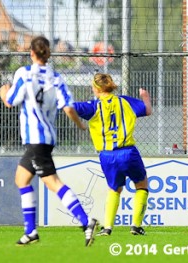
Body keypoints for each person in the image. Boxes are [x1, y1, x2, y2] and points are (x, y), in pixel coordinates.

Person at [0, 36, 98, 246]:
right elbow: (68, 107)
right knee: (21, 179)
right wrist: (80, 125)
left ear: (32, 53)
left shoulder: (24, 74)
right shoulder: (56, 77)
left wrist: (4, 92)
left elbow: (10, 102)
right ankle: (31, 231)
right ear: (49, 54)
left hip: (35, 138)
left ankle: (86, 221)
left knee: (53, 182)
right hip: (47, 137)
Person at [72, 73, 152, 236]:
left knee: (114, 189)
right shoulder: (125, 101)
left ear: (96, 88)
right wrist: (145, 97)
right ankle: (136, 226)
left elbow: (69, 107)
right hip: (128, 152)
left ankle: (107, 227)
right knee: (141, 185)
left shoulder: (93, 106)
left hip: (107, 155)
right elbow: (148, 110)